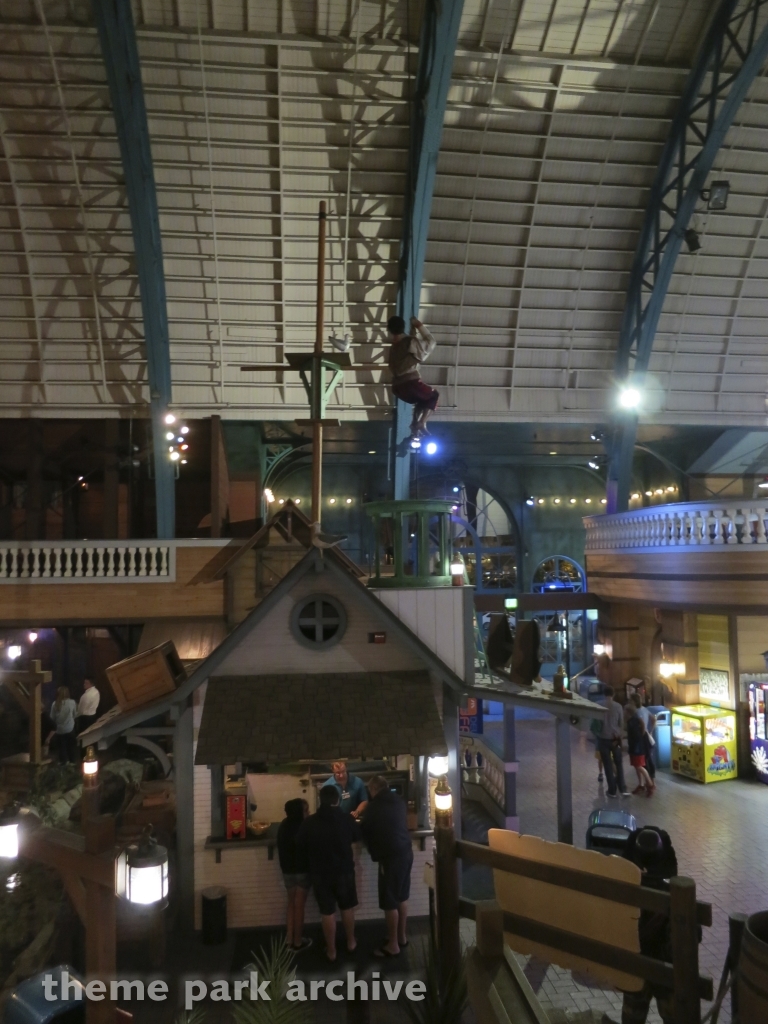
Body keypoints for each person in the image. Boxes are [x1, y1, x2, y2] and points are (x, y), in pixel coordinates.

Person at [619, 827, 681, 1024]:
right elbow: (689, 941)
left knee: (632, 1013)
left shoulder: (625, 892)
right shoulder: (676, 896)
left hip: (636, 969)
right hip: (667, 975)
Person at [296, 785, 359, 962]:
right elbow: (357, 836)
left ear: (320, 800)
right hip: (344, 870)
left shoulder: (310, 822)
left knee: (327, 911)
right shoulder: (347, 819)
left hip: (320, 873)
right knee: (347, 907)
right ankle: (351, 942)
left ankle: (331, 951)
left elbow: (300, 843)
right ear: (337, 800)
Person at [360, 775, 413, 957]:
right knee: (402, 896)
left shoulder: (373, 807)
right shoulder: (399, 800)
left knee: (389, 901)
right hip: (406, 852)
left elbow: (363, 831)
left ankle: (392, 946)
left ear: (373, 789)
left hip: (390, 857)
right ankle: (401, 937)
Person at [387, 315, 439, 438]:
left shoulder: (393, 348)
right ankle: (421, 422)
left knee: (421, 400)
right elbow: (431, 343)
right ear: (403, 327)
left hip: (397, 388)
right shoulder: (409, 341)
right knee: (433, 395)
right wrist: (418, 325)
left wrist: (412, 334)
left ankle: (414, 425)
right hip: (410, 383)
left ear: (389, 329)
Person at [277, 798, 312, 952]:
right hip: (302, 872)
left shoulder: (283, 825)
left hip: (287, 872)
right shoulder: (305, 827)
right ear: (299, 812)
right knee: (299, 907)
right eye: (306, 810)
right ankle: (298, 942)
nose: (309, 812)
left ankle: (288, 939)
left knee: (291, 904)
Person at [598, 685, 629, 798]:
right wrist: (619, 736)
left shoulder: (599, 705)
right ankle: (622, 788)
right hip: (615, 739)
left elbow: (596, 723)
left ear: (604, 694)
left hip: (603, 739)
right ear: (613, 694)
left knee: (607, 765)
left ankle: (612, 790)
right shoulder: (618, 706)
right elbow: (621, 724)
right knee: (619, 764)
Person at [626, 703, 655, 797]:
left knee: (639, 766)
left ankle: (650, 784)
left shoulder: (632, 722)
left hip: (636, 748)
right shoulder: (635, 719)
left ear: (628, 712)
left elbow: (634, 735)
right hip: (637, 746)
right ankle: (642, 785)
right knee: (637, 765)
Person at [46, 686, 77, 763]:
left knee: (62, 750)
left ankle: (63, 766)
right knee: (71, 749)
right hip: (70, 729)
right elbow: (75, 714)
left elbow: (52, 718)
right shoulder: (72, 702)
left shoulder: (54, 704)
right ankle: (72, 764)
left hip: (59, 730)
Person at [631, 693, 657, 783]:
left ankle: (648, 782)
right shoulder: (644, 709)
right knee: (648, 758)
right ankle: (651, 780)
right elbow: (653, 719)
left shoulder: (636, 712)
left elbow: (641, 723)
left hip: (642, 738)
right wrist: (651, 730)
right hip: (647, 736)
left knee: (643, 760)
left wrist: (642, 733)